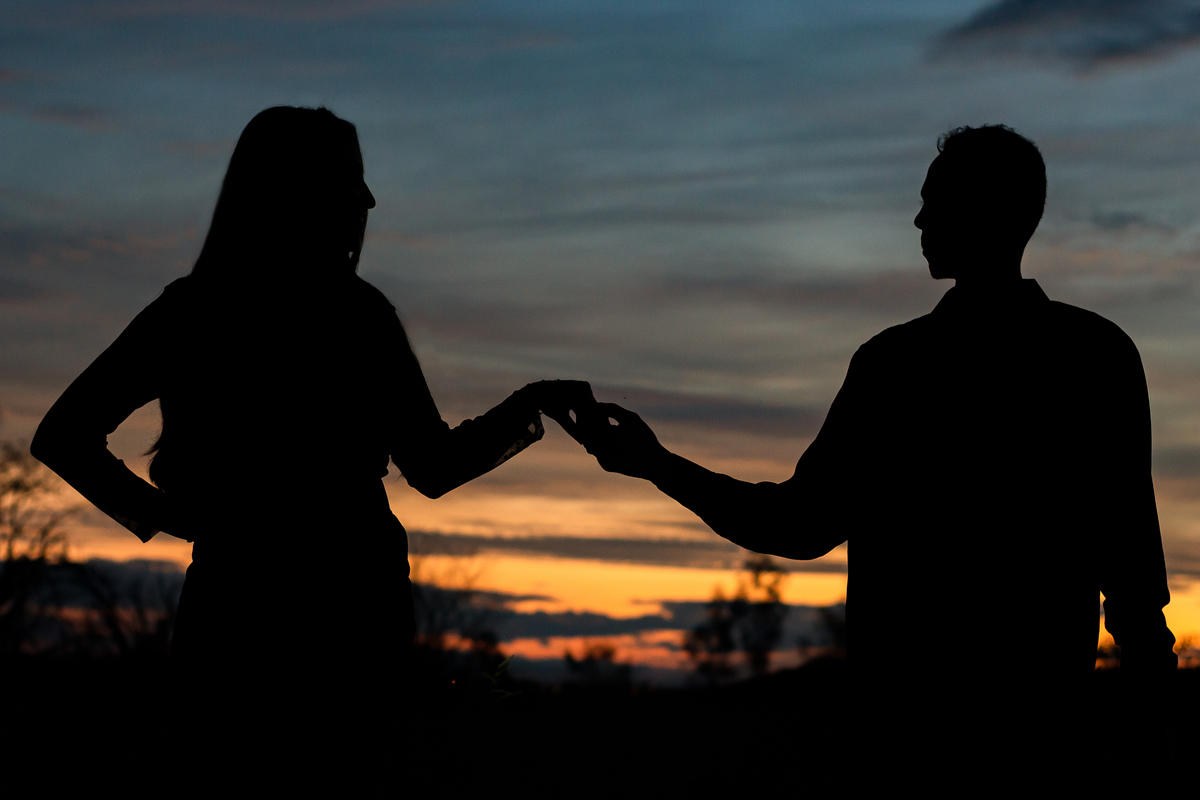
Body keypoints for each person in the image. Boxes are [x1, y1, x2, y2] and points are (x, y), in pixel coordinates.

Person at [566, 125, 1177, 782]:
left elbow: (798, 525)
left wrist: (658, 465)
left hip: (907, 745)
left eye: (935, 203)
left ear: (987, 212)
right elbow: (1135, 585)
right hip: (1034, 744)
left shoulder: (897, 366)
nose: (918, 220)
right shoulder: (1095, 355)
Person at [30, 105, 588, 777]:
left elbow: (64, 436)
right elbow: (433, 466)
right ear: (298, 189)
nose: (367, 199)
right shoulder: (335, 315)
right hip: (310, 617)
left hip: (289, 612)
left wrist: (531, 405)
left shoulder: (214, 310)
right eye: (350, 177)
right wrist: (174, 518)